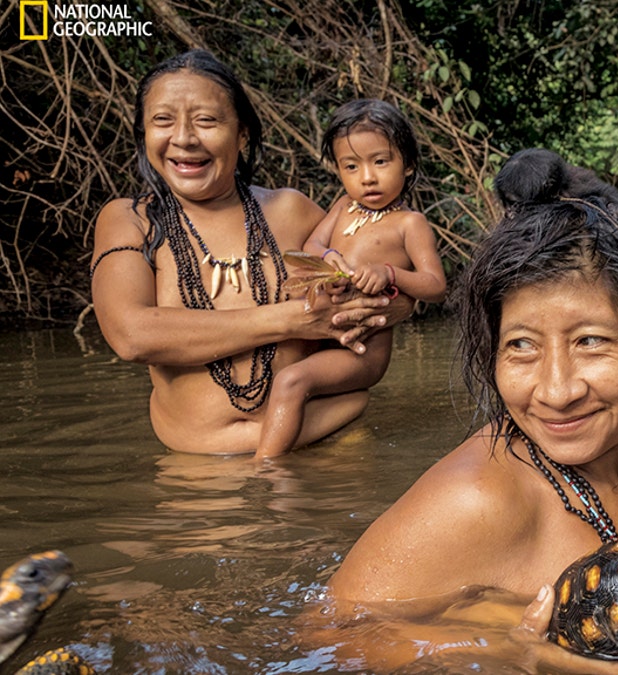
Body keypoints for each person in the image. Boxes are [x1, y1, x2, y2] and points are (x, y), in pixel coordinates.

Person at [320, 152, 618, 671]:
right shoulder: (474, 501)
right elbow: (325, 637)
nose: (557, 390)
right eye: (522, 346)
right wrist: (506, 649)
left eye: (591, 341)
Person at [89, 50, 412, 456]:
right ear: (143, 134)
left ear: (242, 134)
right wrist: (293, 319)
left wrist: (392, 302)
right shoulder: (130, 220)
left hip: (327, 449)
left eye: (206, 120)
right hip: (196, 478)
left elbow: (390, 274)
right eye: (162, 120)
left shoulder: (292, 212)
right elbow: (131, 336)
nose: (184, 137)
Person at [256, 99, 446, 459]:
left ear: (408, 165)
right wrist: (329, 260)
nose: (367, 177)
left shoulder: (410, 224)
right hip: (325, 337)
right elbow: (312, 244)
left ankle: (264, 472)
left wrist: (389, 273)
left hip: (363, 353)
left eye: (380, 161)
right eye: (351, 166)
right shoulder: (343, 206)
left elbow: (436, 286)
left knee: (290, 380)